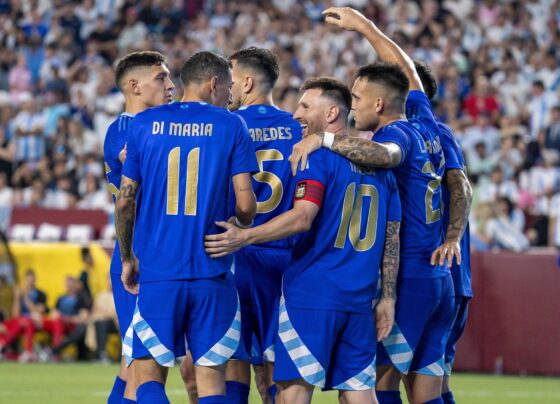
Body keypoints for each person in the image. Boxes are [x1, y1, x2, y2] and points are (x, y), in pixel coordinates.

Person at [290, 7, 454, 404]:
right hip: (439, 281)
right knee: (428, 392)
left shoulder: (397, 134)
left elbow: (387, 157)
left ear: (379, 105)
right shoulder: (427, 122)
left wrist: (324, 140)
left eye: (358, 98)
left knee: (377, 388)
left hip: (410, 277)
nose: (353, 104)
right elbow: (409, 74)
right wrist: (365, 27)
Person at [205, 76, 401, 404]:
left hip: (312, 294)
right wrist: (388, 297)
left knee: (292, 394)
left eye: (306, 106)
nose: (296, 113)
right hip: (359, 298)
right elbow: (392, 237)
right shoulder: (384, 171)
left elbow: (302, 217)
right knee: (360, 395)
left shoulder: (316, 156)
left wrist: (245, 236)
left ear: (332, 114)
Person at [116, 51, 258, 404]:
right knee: (211, 380)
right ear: (214, 83)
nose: (231, 93)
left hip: (159, 272)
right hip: (212, 270)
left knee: (147, 374)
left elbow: (125, 200)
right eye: (228, 84)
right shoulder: (231, 124)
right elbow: (246, 205)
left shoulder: (144, 123)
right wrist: (241, 226)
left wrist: (127, 257)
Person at [226, 46, 302, 403]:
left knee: (230, 357)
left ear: (247, 81)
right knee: (274, 365)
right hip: (284, 257)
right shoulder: (298, 129)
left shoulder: (226, 125)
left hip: (235, 252)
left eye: (231, 78)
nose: (227, 87)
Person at [103, 50, 174, 404]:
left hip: (157, 254)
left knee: (132, 364)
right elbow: (144, 163)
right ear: (134, 86)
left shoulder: (157, 125)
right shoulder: (124, 130)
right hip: (137, 257)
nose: (171, 85)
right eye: (161, 78)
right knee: (141, 366)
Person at [414, 60, 473, 404]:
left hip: (434, 273)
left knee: (390, 378)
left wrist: (451, 239)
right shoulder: (426, 137)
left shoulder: (433, 133)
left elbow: (461, 186)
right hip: (450, 277)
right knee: (434, 382)